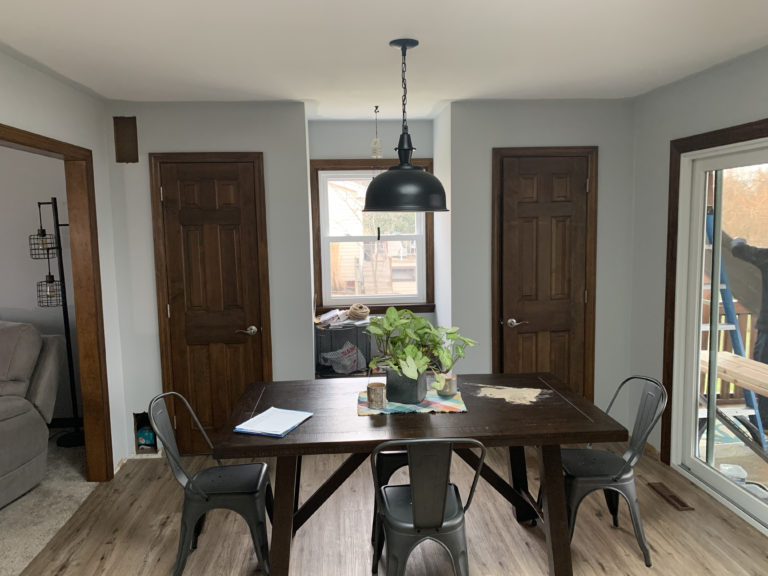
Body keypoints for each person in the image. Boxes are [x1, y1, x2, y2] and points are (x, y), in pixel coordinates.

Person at [731, 237, 768, 428]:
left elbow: (738, 250)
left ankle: (763, 425)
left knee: (763, 378)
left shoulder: (765, 257)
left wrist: (739, 239)